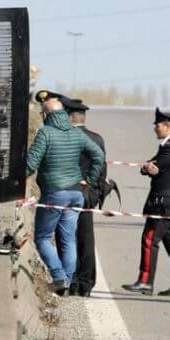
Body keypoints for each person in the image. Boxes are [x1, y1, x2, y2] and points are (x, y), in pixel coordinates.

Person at [25, 94, 105, 295]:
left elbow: (30, 164)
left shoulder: (46, 133)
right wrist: (90, 180)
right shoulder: (76, 134)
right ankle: (66, 284)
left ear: (46, 115)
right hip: (76, 194)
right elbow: (99, 155)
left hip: (55, 193)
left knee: (42, 238)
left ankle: (59, 277)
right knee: (69, 239)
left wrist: (13, 182)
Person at [121, 109, 170, 296]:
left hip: (164, 203)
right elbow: (149, 166)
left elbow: (153, 167)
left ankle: (145, 281)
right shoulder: (169, 145)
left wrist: (150, 168)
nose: (155, 128)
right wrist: (148, 168)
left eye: (157, 125)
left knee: (149, 239)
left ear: (168, 126)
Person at [63, 98, 108, 297]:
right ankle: (86, 284)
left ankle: (71, 281)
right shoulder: (96, 138)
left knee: (66, 238)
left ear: (70, 117)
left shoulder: (65, 137)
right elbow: (102, 172)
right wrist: (95, 194)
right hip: (87, 195)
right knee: (86, 239)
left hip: (66, 194)